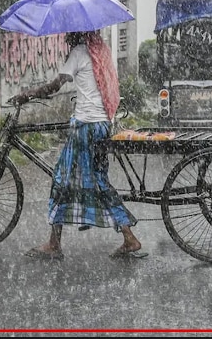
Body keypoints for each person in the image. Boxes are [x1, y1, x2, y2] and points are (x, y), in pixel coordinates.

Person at [10, 31, 147, 261]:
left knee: (64, 180)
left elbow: (55, 85)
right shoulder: (99, 52)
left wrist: (28, 94)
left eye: (68, 36)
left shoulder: (79, 52)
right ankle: (121, 236)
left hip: (86, 128)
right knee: (94, 182)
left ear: (76, 35)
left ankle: (58, 244)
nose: (65, 40)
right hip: (101, 125)